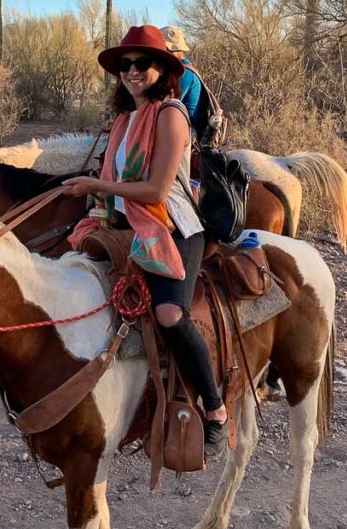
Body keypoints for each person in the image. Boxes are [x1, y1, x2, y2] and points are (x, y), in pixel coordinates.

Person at [63, 25, 229, 458]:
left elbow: (156, 191)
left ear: (163, 69)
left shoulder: (171, 113)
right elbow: (113, 178)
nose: (133, 72)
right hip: (130, 222)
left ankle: (214, 409)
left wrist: (97, 187)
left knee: (170, 313)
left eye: (143, 63)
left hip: (172, 226)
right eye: (125, 65)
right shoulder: (124, 120)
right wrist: (93, 191)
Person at [161, 25, 206, 140]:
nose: (166, 54)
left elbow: (165, 102)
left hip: (189, 129)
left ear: (179, 51)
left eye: (170, 50)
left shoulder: (184, 73)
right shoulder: (171, 71)